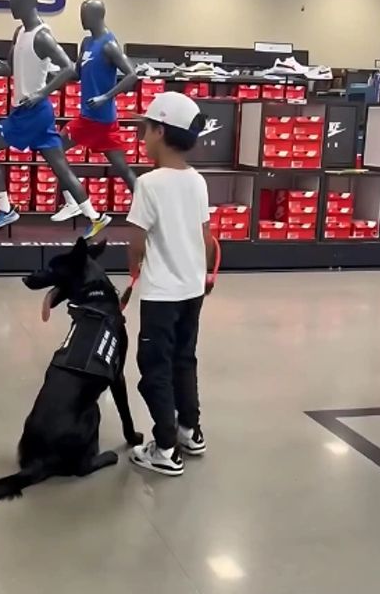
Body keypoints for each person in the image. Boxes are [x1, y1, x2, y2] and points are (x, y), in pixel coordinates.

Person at [127, 91, 215, 476]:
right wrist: (206, 275)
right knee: (185, 359)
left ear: (160, 131)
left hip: (161, 294)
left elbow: (136, 240)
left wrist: (134, 274)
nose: (142, 137)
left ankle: (164, 447)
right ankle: (189, 430)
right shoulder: (196, 181)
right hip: (192, 291)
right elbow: (207, 237)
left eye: (145, 129)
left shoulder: (149, 184)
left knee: (154, 366)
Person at [0, 0, 111, 238]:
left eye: (14, 1)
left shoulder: (42, 36)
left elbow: (70, 68)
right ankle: (95, 216)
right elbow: (9, 68)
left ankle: (5, 209)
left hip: (31, 112)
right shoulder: (19, 33)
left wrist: (42, 93)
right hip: (34, 112)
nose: (11, 6)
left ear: (28, 3)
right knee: (59, 165)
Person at [52, 0, 137, 222]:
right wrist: (53, 75)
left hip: (100, 120)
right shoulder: (87, 43)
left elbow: (132, 75)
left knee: (55, 149)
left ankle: (146, 209)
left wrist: (105, 97)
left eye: (84, 13)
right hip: (90, 119)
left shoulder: (109, 45)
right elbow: (78, 73)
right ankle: (72, 202)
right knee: (56, 150)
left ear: (96, 16)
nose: (81, 18)